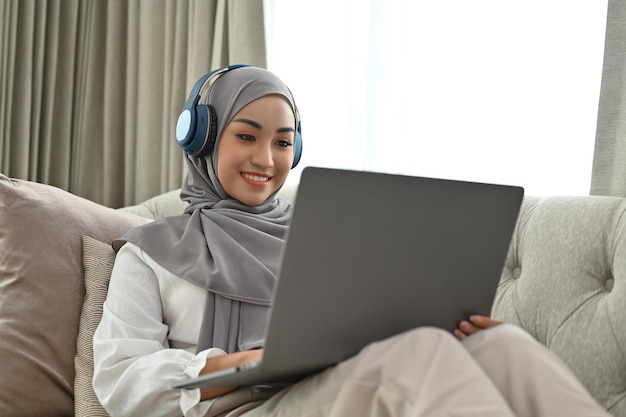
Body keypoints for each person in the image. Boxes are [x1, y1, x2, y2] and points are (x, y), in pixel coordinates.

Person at [92, 65, 611, 417]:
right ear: (202, 138)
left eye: (283, 142)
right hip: (243, 407)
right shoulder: (150, 250)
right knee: (421, 353)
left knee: (502, 342)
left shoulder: (319, 231)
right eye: (246, 136)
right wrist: (234, 364)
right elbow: (119, 379)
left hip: (332, 388)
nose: (267, 160)